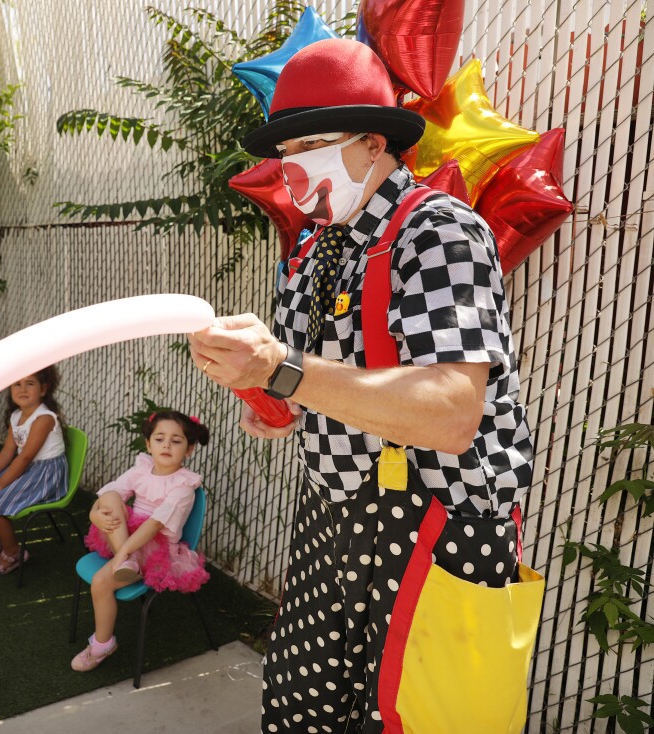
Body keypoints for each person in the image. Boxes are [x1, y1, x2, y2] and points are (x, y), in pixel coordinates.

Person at [187, 39, 534, 733]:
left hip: (439, 530)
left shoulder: (439, 233)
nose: (292, 168)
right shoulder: (314, 249)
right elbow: (315, 385)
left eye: (310, 144)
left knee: (425, 720)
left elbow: (450, 413)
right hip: (331, 516)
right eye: (285, 153)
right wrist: (275, 404)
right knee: (298, 712)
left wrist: (282, 369)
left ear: (374, 144)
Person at [72, 410, 210, 672]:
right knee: (112, 497)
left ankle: (103, 645)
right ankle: (128, 562)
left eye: (176, 440)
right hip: (125, 538)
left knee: (101, 582)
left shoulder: (184, 486)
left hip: (154, 547)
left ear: (189, 449)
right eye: (159, 439)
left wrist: (123, 551)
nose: (166, 445)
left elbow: (155, 524)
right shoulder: (142, 470)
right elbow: (109, 495)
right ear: (149, 444)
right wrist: (94, 515)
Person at [0, 366, 68, 574]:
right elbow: (7, 453)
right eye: (17, 384)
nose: (22, 389)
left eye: (30, 383)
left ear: (43, 389)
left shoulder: (44, 418)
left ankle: (13, 551)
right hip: (30, 469)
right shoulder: (16, 416)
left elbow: (24, 458)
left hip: (46, 475)